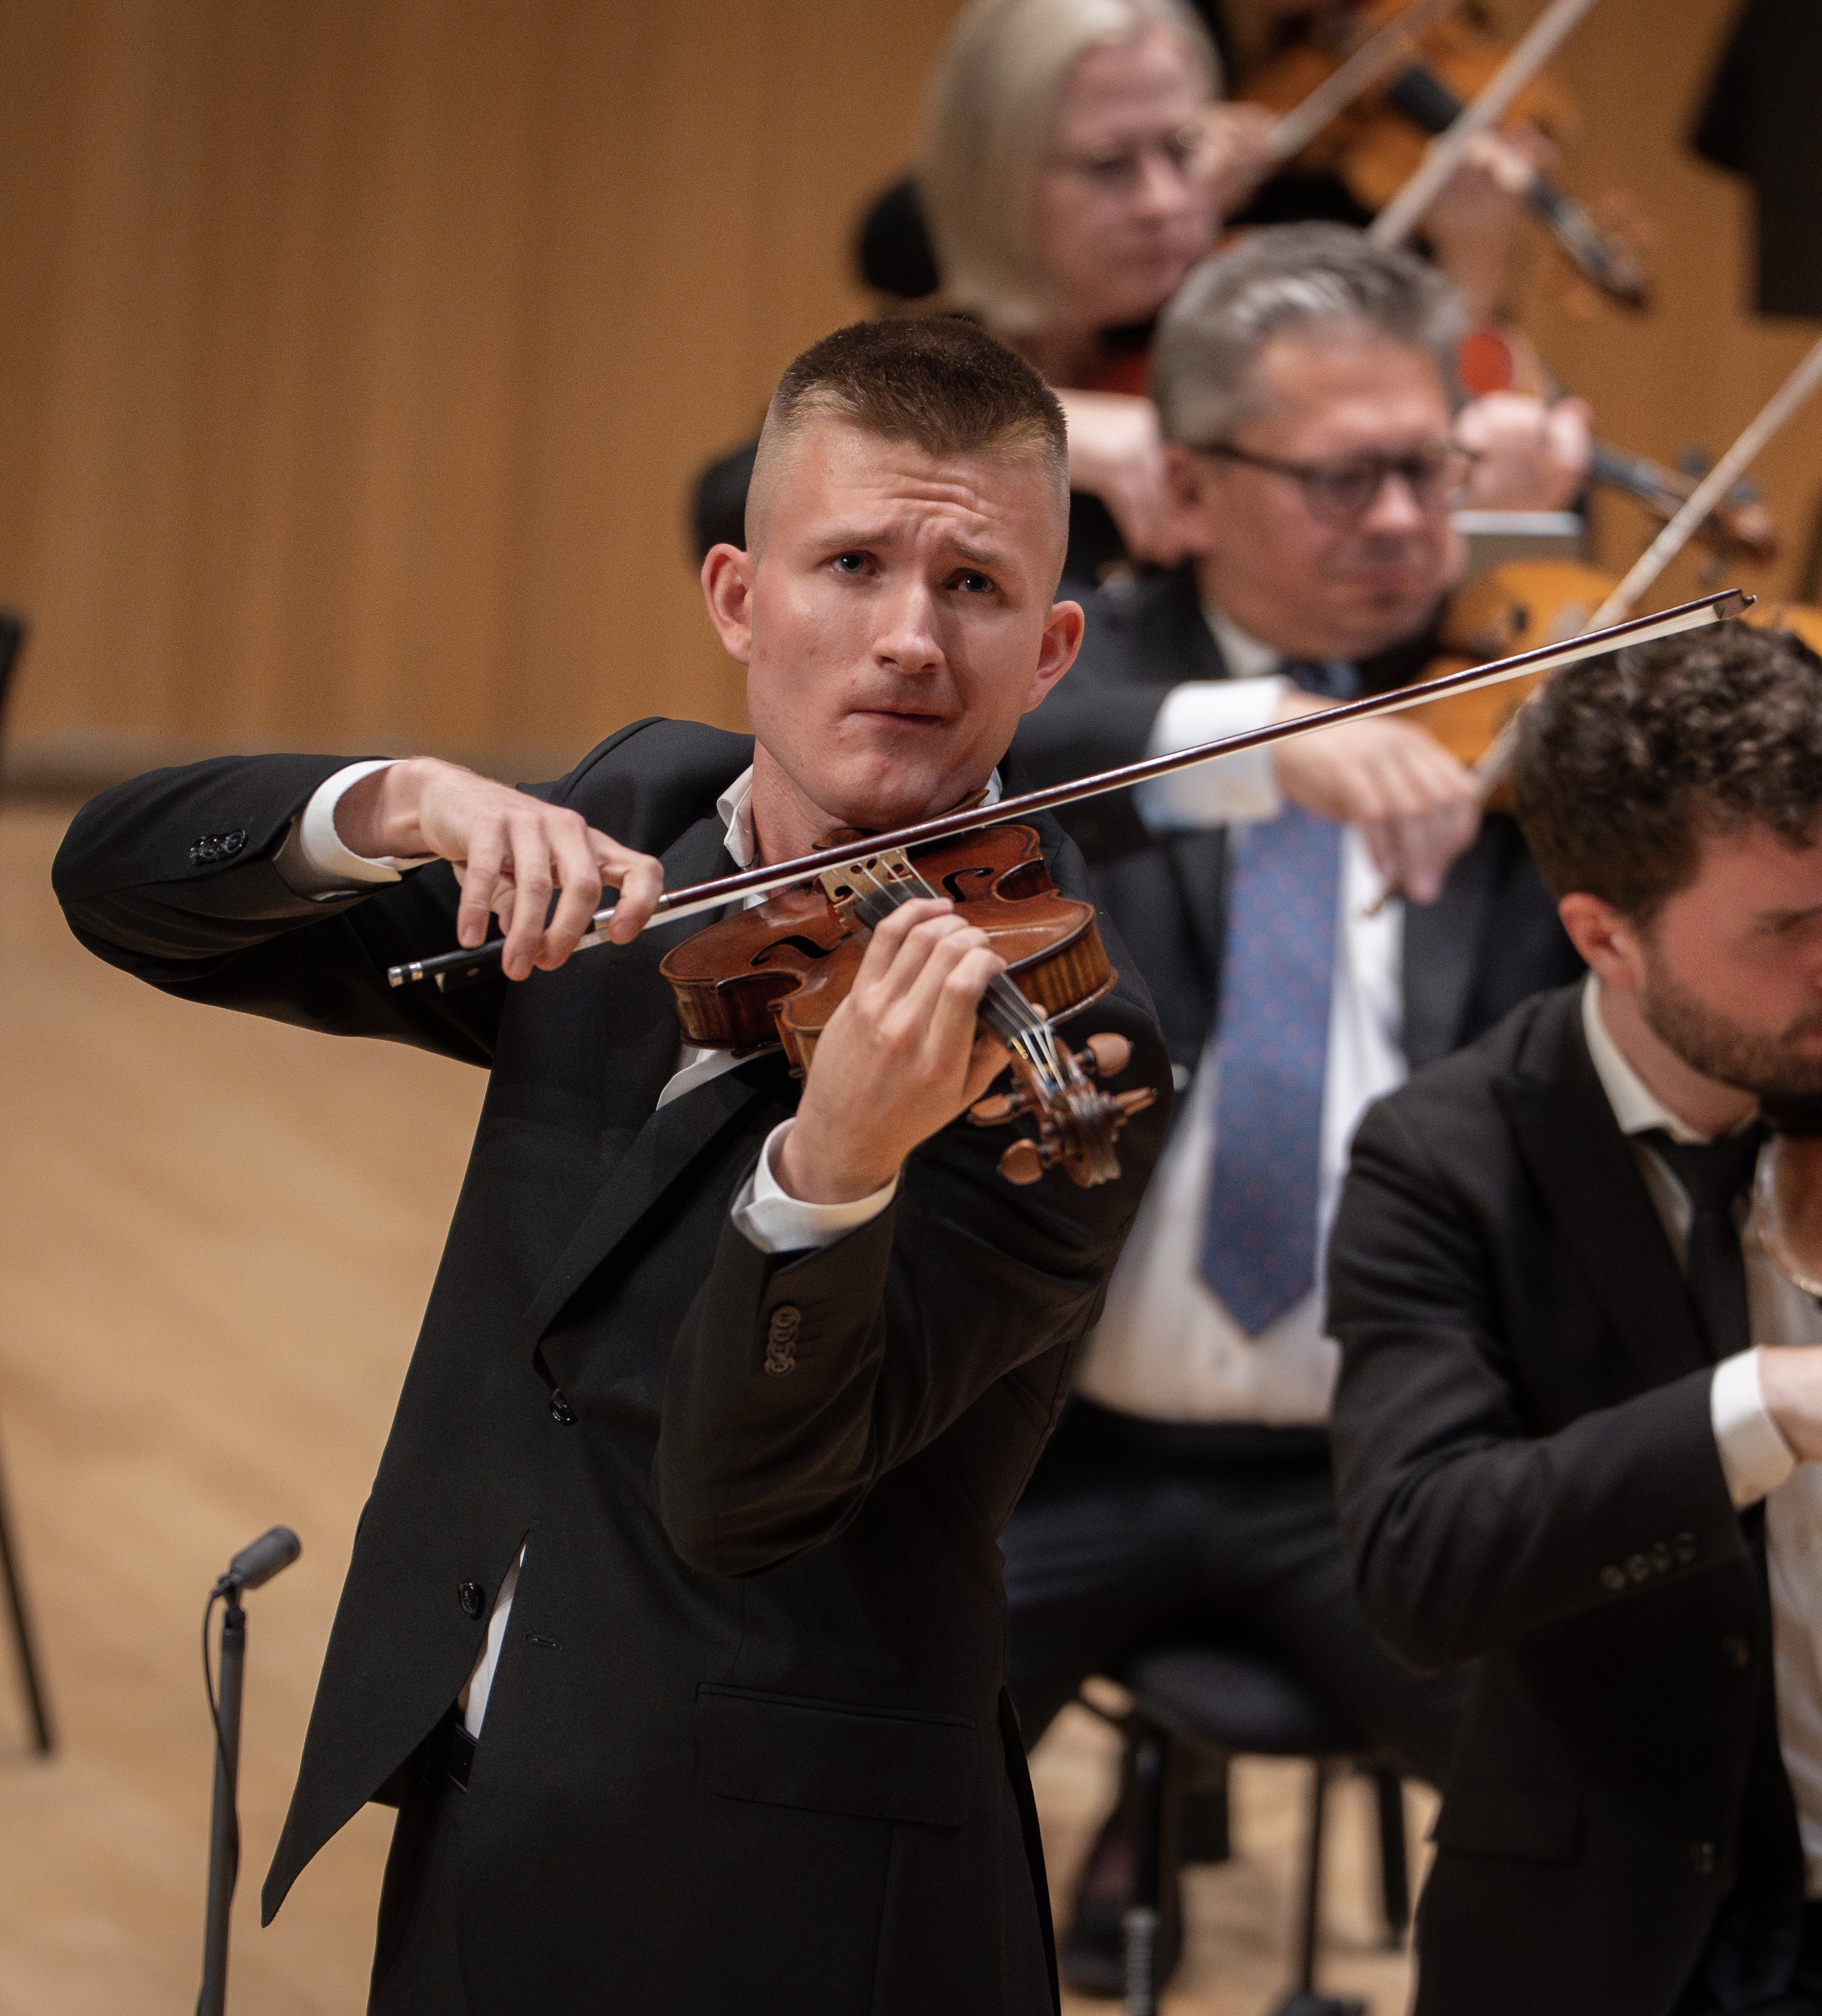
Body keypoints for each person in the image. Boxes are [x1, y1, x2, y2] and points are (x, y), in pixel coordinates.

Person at [53, 318, 1171, 2016]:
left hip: (797, 1877)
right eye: (851, 563)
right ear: (737, 599)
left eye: (974, 588)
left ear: (1054, 645)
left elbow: (750, 1496)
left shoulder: (1063, 1045)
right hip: (482, 1770)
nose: (906, 640)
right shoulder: (641, 824)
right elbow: (120, 889)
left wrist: (836, 1169)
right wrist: (393, 803)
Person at [997, 219, 1584, 1990]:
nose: (1406, 523)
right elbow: (969, 765)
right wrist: (1250, 738)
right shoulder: (1081, 687)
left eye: (1430, 469)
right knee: (796, 1767)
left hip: (1388, 1474)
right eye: (1344, 481)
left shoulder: (1529, 712)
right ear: (1182, 483)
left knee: (1618, 1798)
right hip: (1043, 1460)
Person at [1327, 620, 1822, 2016]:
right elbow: (1423, 1561)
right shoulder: (1447, 1157)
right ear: (1605, 934)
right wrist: (1763, 1403)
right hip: (1616, 1925)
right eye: (1789, 929)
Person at [694, 0, 1585, 586]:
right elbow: (733, 498)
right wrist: (1038, 431)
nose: (1166, 203)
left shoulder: (1249, 335)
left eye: (1183, 151)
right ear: (998, 179)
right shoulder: (939, 359)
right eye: (1111, 166)